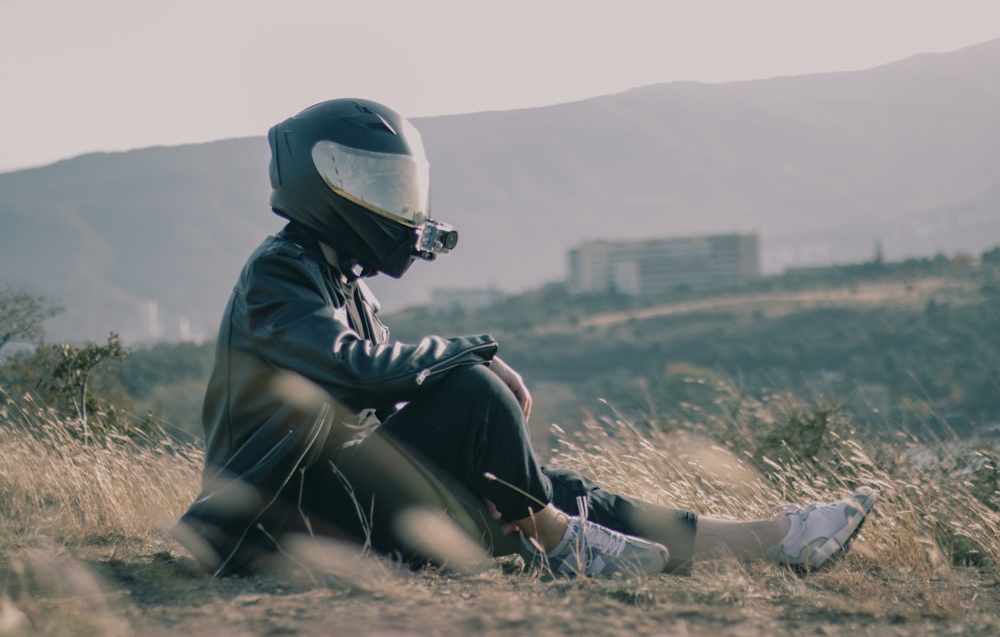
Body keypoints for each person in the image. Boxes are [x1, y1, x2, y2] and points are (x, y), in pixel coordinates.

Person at [175, 98, 877, 579]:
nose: (394, 205)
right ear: (322, 183)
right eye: (371, 184)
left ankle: (773, 540)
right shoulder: (280, 270)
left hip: (329, 504)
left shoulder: (348, 286)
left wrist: (476, 470)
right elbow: (354, 371)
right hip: (265, 527)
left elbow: (373, 411)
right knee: (475, 390)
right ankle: (558, 540)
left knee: (553, 484)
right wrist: (472, 352)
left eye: (397, 185)